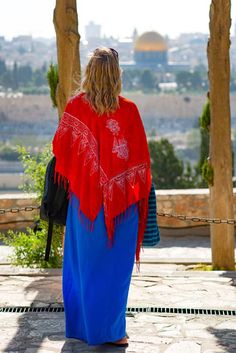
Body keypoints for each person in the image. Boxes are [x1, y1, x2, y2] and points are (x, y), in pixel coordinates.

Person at [52, 47, 151, 347]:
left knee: (86, 268)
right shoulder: (129, 110)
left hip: (85, 207)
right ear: (116, 75)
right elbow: (141, 162)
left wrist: (86, 174)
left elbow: (60, 151)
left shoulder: (75, 108)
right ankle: (112, 331)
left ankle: (86, 329)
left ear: (90, 74)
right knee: (115, 273)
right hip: (122, 207)